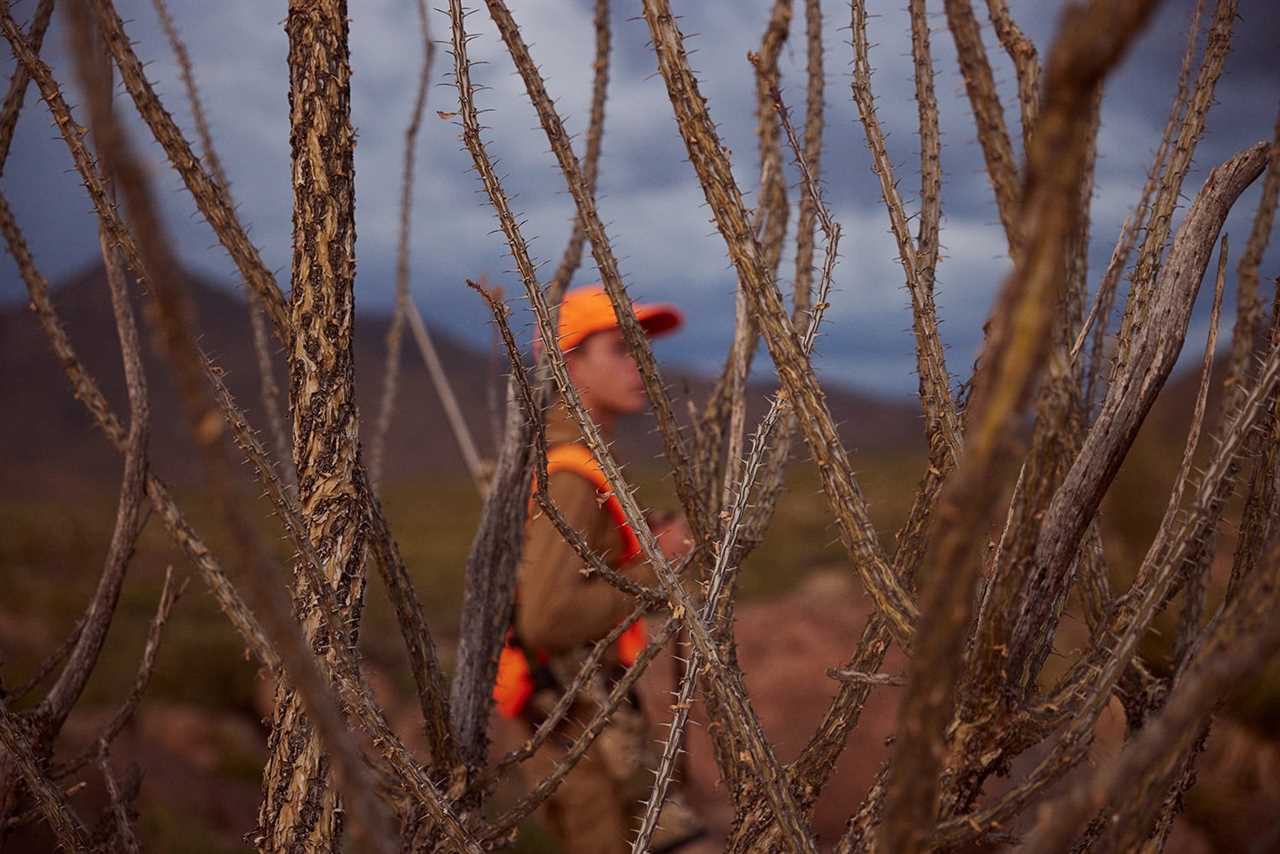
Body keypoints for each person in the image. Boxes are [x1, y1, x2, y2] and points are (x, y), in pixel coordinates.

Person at [493, 284, 706, 854]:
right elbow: (546, 616)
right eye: (620, 348)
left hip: (587, 720)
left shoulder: (577, 457)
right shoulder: (568, 474)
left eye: (643, 348)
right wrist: (659, 571)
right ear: (567, 364)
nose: (641, 364)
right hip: (569, 728)